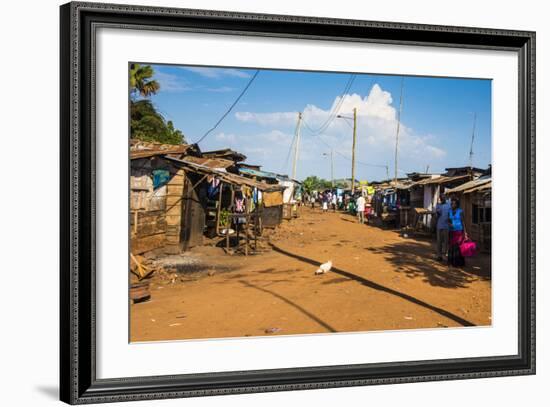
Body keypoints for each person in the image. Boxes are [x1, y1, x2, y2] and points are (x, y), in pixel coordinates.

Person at [447, 197, 467, 267]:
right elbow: (448, 220)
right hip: (451, 231)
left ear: (456, 204)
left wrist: (465, 232)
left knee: (458, 247)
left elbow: (463, 222)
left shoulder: (460, 211)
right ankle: (451, 263)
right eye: (451, 203)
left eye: (453, 203)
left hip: (459, 232)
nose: (452, 204)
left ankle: (459, 263)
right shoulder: (449, 211)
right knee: (451, 247)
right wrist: (449, 224)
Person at [435, 194, 451, 262]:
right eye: (440, 199)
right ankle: (439, 256)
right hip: (439, 226)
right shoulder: (438, 205)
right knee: (439, 241)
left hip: (446, 226)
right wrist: (437, 212)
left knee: (446, 242)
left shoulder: (449, 204)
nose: (441, 200)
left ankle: (445, 256)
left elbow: (451, 214)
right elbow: (437, 215)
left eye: (441, 199)